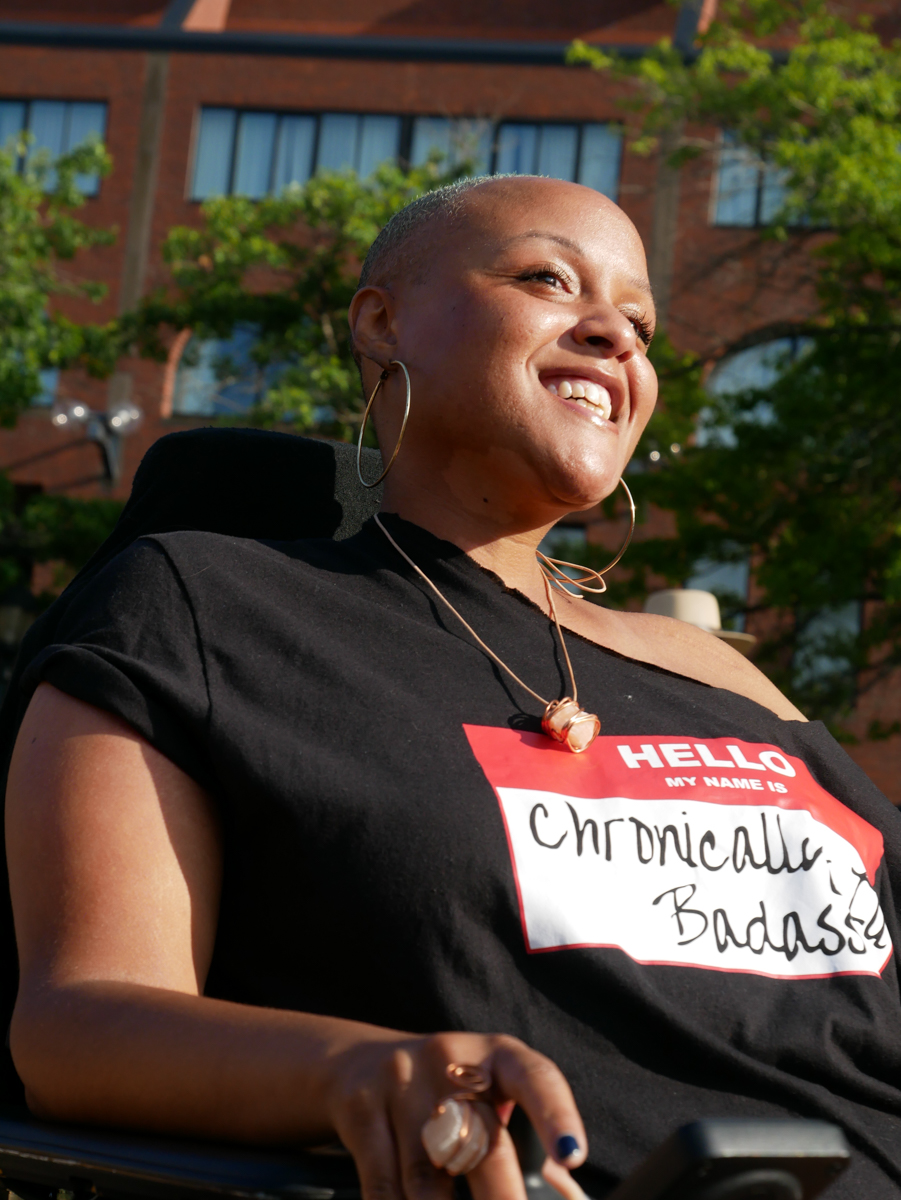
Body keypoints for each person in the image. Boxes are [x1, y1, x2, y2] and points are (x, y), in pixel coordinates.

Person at [5, 174, 901, 1200]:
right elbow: (78, 1022)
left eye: (641, 324)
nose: (614, 332)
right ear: (382, 325)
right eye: (547, 278)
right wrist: (352, 1072)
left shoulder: (718, 673)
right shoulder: (201, 607)